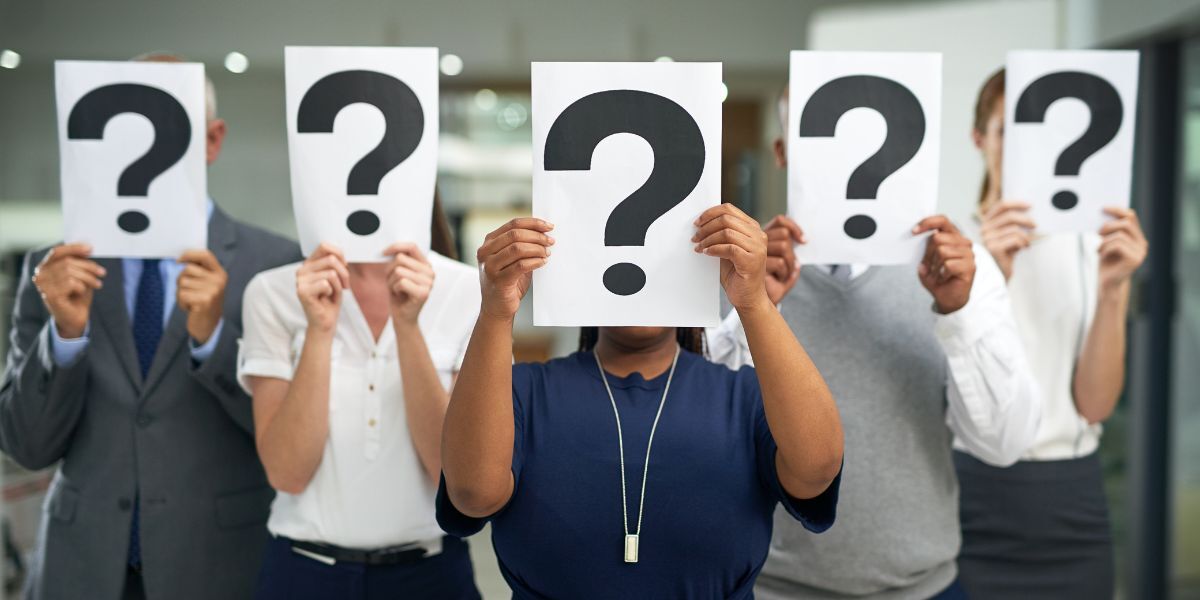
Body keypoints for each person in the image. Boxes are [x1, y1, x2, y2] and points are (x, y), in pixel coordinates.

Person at [707, 85, 1042, 600]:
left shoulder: (964, 269)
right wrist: (755, 308)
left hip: (924, 588)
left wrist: (960, 309)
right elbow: (702, 435)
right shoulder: (731, 275)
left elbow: (1005, 443)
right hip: (770, 589)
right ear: (782, 153)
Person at [0, 53, 301, 600]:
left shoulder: (275, 265)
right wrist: (64, 338)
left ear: (212, 140)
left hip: (220, 567)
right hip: (80, 570)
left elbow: (290, 440)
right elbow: (27, 445)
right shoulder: (53, 272)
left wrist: (213, 340)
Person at [437, 204, 844, 599]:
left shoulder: (744, 396)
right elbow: (473, 494)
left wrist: (753, 301)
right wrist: (496, 310)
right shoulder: (521, 391)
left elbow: (817, 469)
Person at [951, 68, 1148, 599]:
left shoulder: (1091, 246)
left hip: (1070, 499)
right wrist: (990, 275)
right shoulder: (951, 249)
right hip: (969, 492)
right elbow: (935, 394)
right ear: (979, 140)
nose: (1024, 155)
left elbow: (1096, 404)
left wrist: (1113, 291)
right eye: (1007, 133)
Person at [238, 195, 482, 599]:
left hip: (429, 572)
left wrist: (408, 327)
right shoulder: (273, 292)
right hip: (304, 572)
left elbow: (454, 476)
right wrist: (319, 329)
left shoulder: (468, 291)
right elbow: (287, 473)